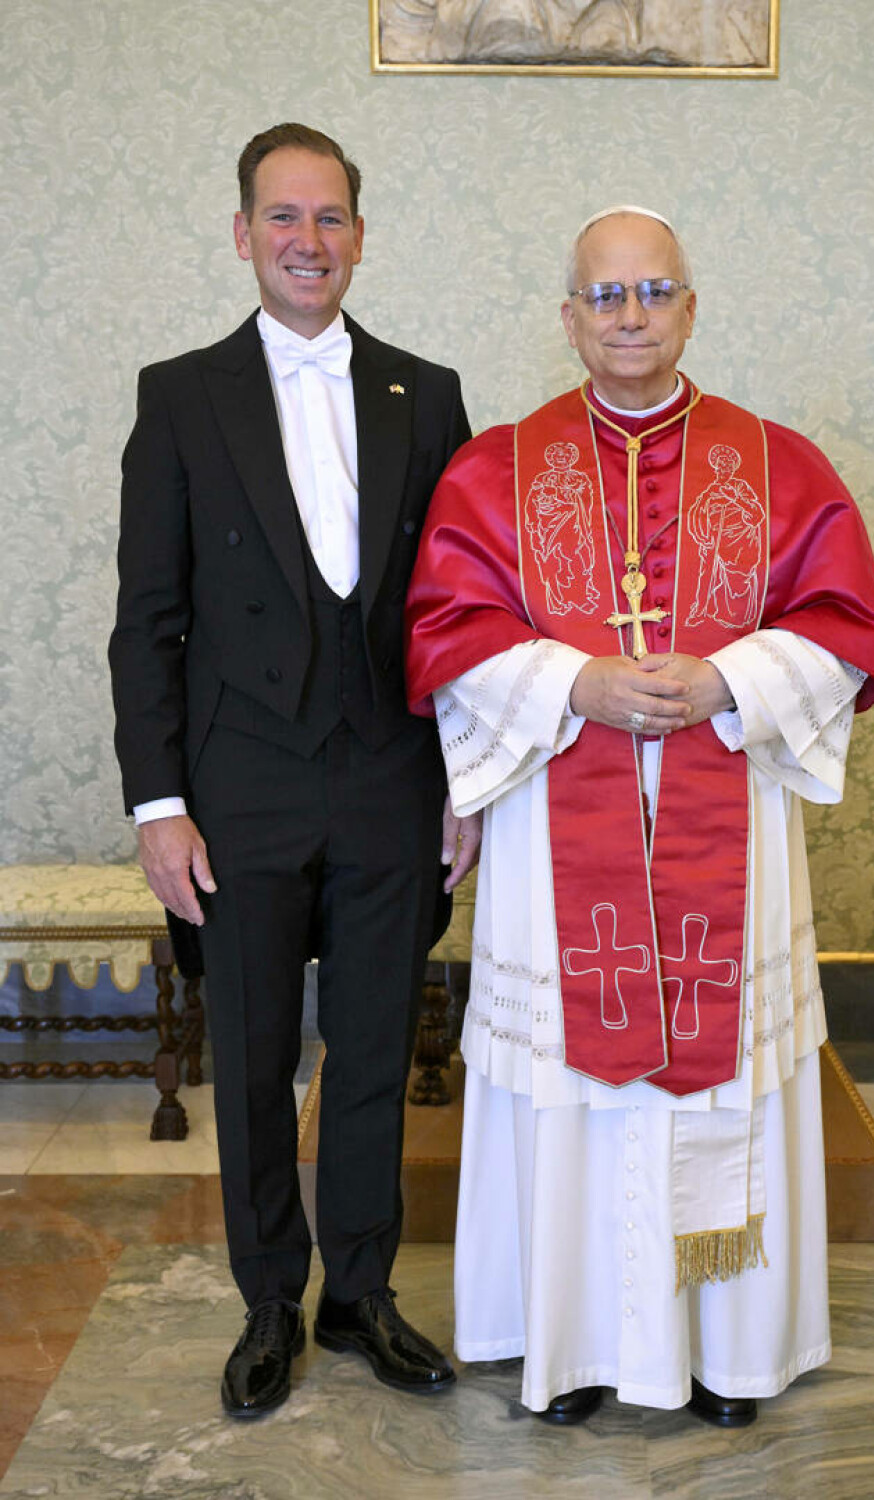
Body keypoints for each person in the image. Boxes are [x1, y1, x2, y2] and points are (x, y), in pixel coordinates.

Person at [405, 206, 874, 1427]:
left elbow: (846, 628)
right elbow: (447, 636)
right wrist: (579, 681)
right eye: (605, 296)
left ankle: (728, 1354)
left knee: (723, 1070)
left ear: (690, 307)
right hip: (555, 829)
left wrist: (728, 678)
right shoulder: (493, 469)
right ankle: (568, 1349)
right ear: (568, 315)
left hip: (727, 809)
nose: (630, 317)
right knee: (570, 1079)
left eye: (654, 292)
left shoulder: (780, 465)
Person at [109, 123, 479, 1419]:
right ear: (242, 235)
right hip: (241, 787)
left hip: (390, 776)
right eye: (283, 218)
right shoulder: (179, 394)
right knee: (256, 1058)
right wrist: (158, 804)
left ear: (361, 237)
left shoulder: (427, 395)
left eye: (330, 219)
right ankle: (270, 1299)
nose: (308, 241)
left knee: (375, 1050)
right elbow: (146, 616)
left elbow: (463, 614)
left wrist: (467, 783)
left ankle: (360, 1293)